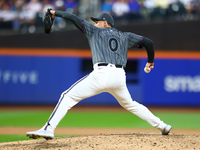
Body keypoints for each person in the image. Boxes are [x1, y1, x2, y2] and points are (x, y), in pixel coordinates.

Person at [26, 9, 172, 140]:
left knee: (68, 96)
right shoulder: (125, 36)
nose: (95, 24)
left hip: (102, 74)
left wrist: (54, 12)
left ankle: (48, 129)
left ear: (105, 22)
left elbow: (72, 17)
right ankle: (162, 126)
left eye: (97, 21)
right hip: (120, 76)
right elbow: (149, 42)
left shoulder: (94, 31)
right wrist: (150, 61)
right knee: (131, 104)